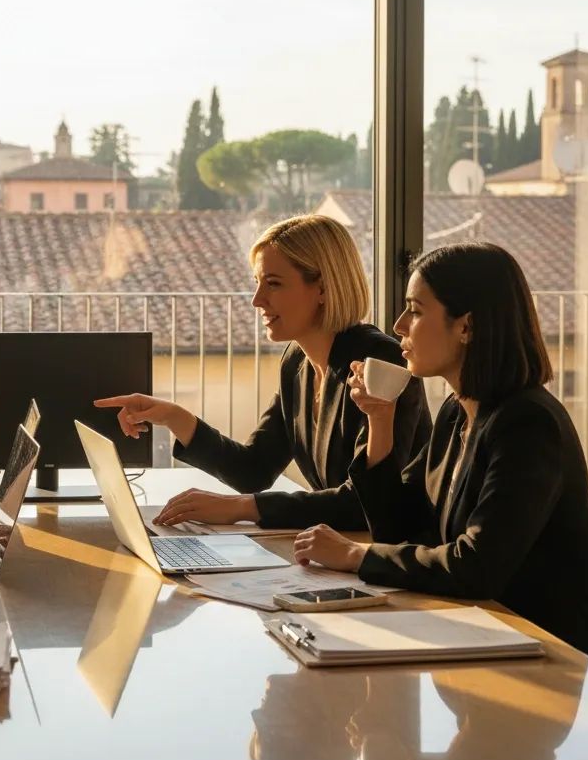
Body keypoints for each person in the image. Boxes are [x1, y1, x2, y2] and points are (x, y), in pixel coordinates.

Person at [293, 242, 588, 656]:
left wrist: (354, 555)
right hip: (479, 636)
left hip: (541, 655)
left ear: (466, 326)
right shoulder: (458, 411)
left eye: (415, 310)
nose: (398, 325)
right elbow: (398, 528)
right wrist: (380, 422)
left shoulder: (528, 424)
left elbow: (477, 567)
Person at [97, 215, 430, 530]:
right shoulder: (297, 364)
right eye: (258, 283)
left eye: (273, 284)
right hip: (342, 547)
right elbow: (253, 470)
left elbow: (364, 502)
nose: (257, 300)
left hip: (397, 552)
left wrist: (242, 507)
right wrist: (173, 417)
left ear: (323, 289)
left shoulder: (381, 362)